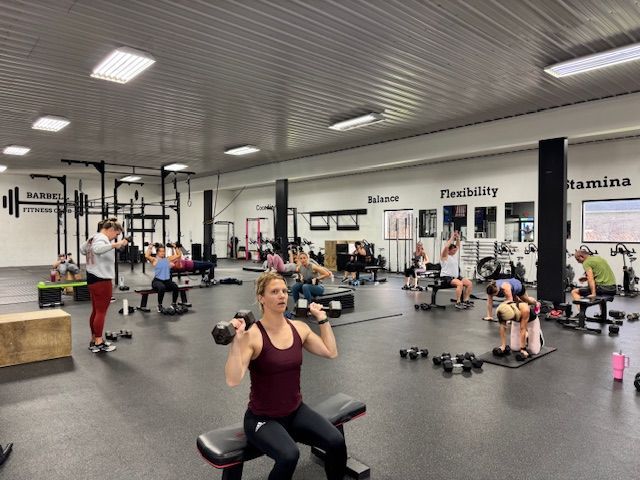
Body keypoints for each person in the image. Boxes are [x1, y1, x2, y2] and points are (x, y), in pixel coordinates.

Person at [224, 271, 346, 479]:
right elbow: (233, 380)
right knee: (289, 456)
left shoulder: (299, 328)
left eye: (284, 291)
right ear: (261, 298)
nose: (282, 295)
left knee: (336, 442)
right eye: (274, 292)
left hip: (295, 411)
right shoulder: (253, 336)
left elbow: (330, 352)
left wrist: (323, 319)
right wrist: (237, 341)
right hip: (262, 419)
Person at [80, 218, 128, 353]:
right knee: (101, 312)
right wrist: (115, 244)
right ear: (111, 229)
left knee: (96, 311)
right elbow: (97, 249)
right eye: (116, 234)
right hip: (101, 280)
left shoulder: (93, 238)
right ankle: (99, 343)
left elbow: (82, 250)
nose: (115, 237)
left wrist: (114, 245)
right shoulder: (102, 238)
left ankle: (94, 339)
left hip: (92, 278)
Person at [439, 231, 474, 309]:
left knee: (469, 283)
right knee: (460, 284)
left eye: (455, 250)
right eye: (453, 250)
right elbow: (446, 247)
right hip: (446, 277)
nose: (455, 252)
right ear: (449, 250)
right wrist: (452, 237)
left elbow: (457, 246)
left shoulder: (453, 256)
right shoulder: (444, 256)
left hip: (456, 277)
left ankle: (466, 300)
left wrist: (458, 238)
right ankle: (458, 302)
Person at [145, 243, 182, 314]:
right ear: (157, 252)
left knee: (175, 287)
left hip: (166, 281)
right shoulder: (154, 259)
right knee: (162, 287)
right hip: (157, 281)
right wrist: (150, 247)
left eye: (163, 251)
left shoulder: (167, 259)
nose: (162, 253)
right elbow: (147, 256)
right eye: (160, 251)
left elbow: (178, 255)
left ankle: (174, 304)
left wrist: (175, 247)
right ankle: (160, 305)